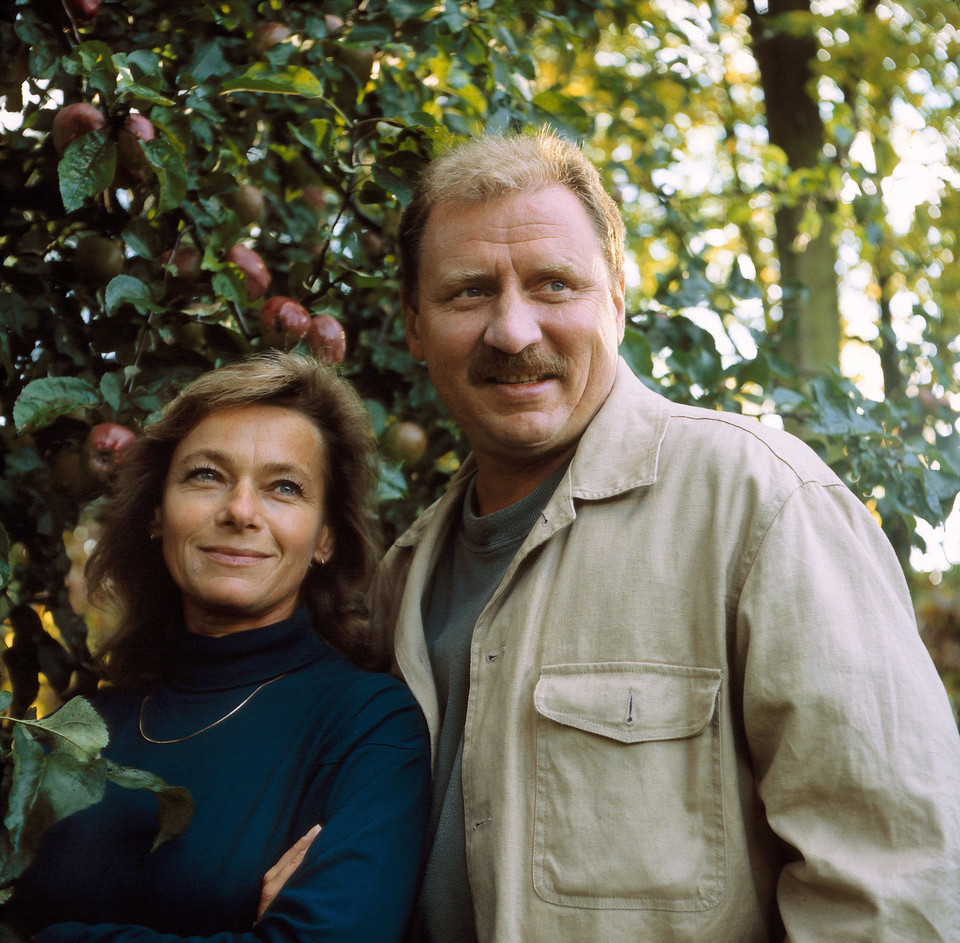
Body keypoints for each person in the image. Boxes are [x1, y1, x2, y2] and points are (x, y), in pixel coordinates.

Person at [369, 129, 960, 942]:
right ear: (412, 324)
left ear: (616, 298)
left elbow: (893, 887)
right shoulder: (404, 574)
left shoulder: (760, 503)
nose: (511, 330)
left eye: (552, 284)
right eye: (469, 292)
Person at [4, 353, 431, 942]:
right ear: (157, 512)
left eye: (285, 487)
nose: (239, 511)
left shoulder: (369, 727)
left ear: (326, 535)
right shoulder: (80, 728)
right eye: (206, 475)